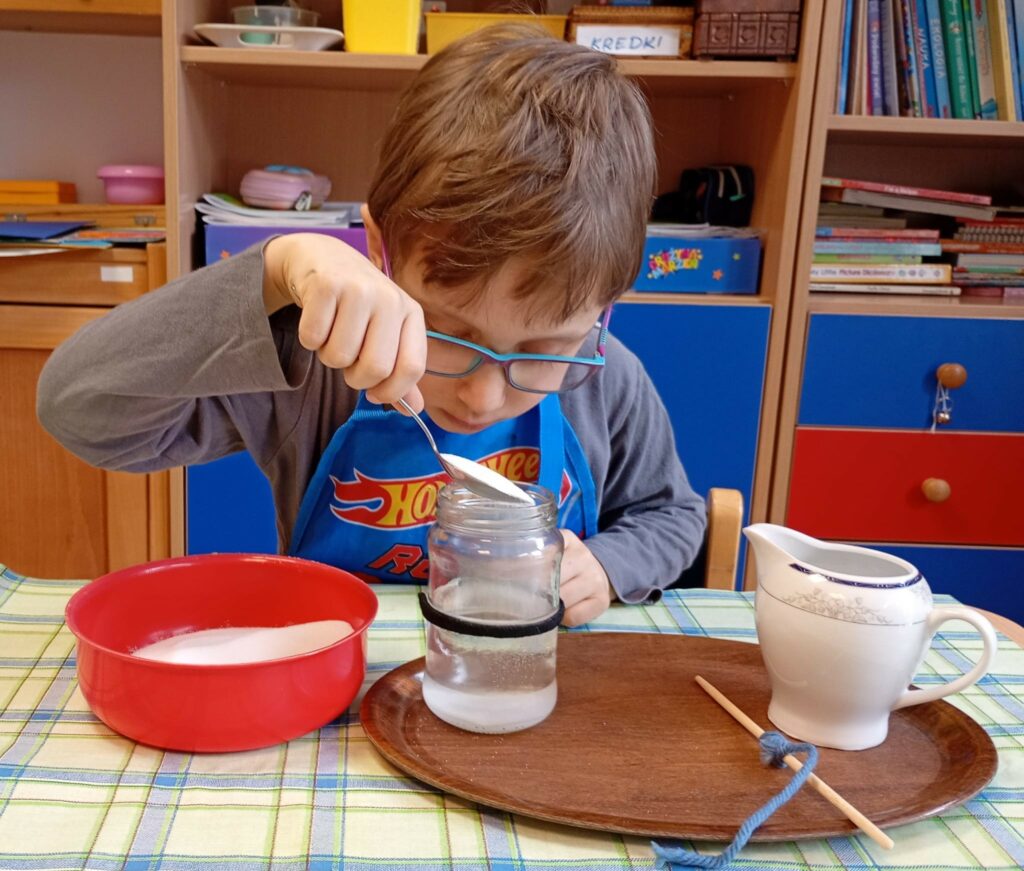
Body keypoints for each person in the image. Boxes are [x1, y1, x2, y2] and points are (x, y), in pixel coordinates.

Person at [37, 24, 706, 626]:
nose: (482, 396)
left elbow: (673, 515)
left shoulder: (608, 375)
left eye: (541, 351)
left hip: (521, 689)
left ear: (606, 306)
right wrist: (273, 273)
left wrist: (613, 564)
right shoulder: (313, 363)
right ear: (379, 250)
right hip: (334, 701)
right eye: (447, 333)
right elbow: (79, 409)